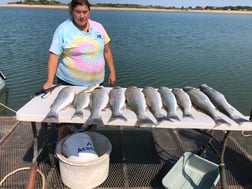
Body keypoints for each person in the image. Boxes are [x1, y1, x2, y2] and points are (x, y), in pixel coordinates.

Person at [43, 0, 116, 141]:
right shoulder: (63, 29)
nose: (82, 16)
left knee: (94, 114)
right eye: (78, 12)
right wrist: (49, 81)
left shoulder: (98, 27)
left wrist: (112, 71)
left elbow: (107, 51)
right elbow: (53, 56)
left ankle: (90, 141)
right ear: (71, 12)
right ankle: (62, 145)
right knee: (65, 120)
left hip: (96, 83)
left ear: (89, 11)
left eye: (85, 12)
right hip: (69, 84)